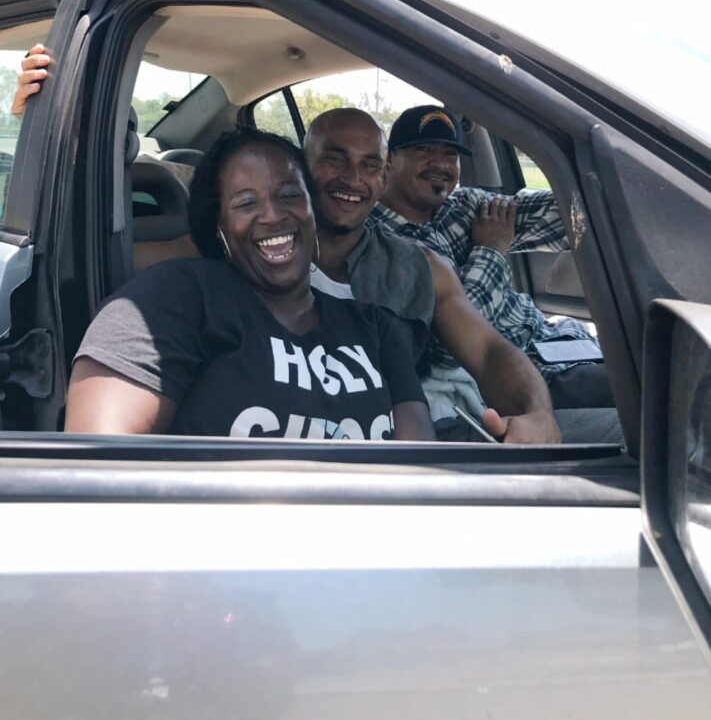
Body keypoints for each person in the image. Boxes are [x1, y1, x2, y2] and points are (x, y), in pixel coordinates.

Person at [17, 46, 560, 443]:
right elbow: (74, 251)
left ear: (385, 174)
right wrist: (50, 134)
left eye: (369, 164)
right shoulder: (201, 273)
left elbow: (488, 352)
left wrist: (539, 413)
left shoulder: (408, 283)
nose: (352, 178)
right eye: (333, 159)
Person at [66, 127, 435, 440]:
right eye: (246, 203)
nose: (273, 215)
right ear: (218, 226)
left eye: (289, 195)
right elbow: (97, 470)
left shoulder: (375, 328)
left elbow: (419, 472)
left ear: (312, 209)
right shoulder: (174, 298)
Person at [372, 104, 615, 411]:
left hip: (556, 341)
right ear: (390, 159)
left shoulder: (463, 204)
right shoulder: (381, 244)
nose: (441, 164)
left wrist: (603, 183)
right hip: (522, 378)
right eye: (423, 149)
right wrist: (491, 251)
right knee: (659, 394)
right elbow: (452, 350)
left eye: (451, 154)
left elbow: (565, 217)